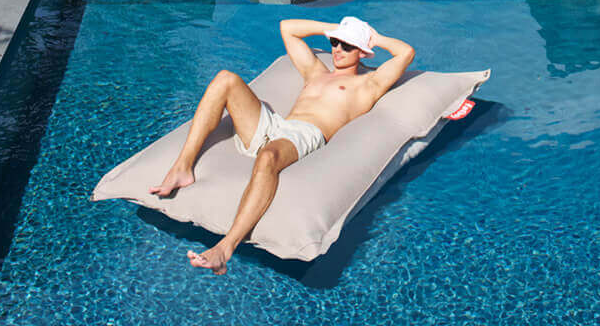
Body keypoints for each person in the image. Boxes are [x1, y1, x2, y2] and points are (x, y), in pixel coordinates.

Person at [150, 15, 415, 274]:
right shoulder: (316, 72)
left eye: (347, 46)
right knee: (225, 78)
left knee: (268, 157)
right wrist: (335, 29)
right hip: (276, 126)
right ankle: (182, 167)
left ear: (361, 52)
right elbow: (287, 28)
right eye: (335, 43)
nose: (337, 50)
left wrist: (372, 38)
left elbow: (406, 53)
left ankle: (225, 248)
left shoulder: (368, 84)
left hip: (306, 134)